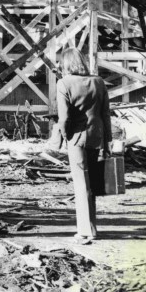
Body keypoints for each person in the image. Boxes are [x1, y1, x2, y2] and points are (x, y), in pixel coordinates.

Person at [56, 47, 111, 244]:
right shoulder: (98, 82)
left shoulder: (63, 83)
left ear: (66, 63)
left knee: (81, 184)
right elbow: (106, 114)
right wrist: (108, 140)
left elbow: (64, 119)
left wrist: (61, 139)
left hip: (76, 138)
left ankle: (85, 230)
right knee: (92, 185)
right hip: (97, 136)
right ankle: (92, 227)